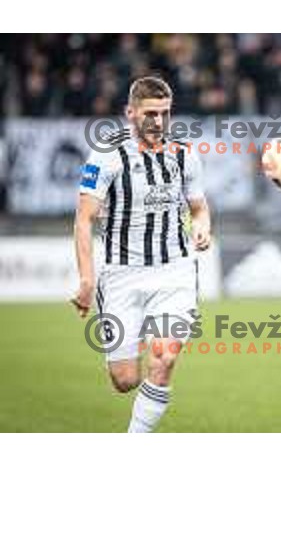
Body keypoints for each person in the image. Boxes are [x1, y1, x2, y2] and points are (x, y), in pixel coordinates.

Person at [71, 76, 211, 433]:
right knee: (124, 379)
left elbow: (199, 207)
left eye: (165, 113)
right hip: (121, 275)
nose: (159, 122)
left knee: (164, 358)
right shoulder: (106, 154)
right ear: (130, 112)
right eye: (150, 113)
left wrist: (202, 226)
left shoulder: (184, 153)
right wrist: (87, 279)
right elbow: (84, 219)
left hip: (174, 271)